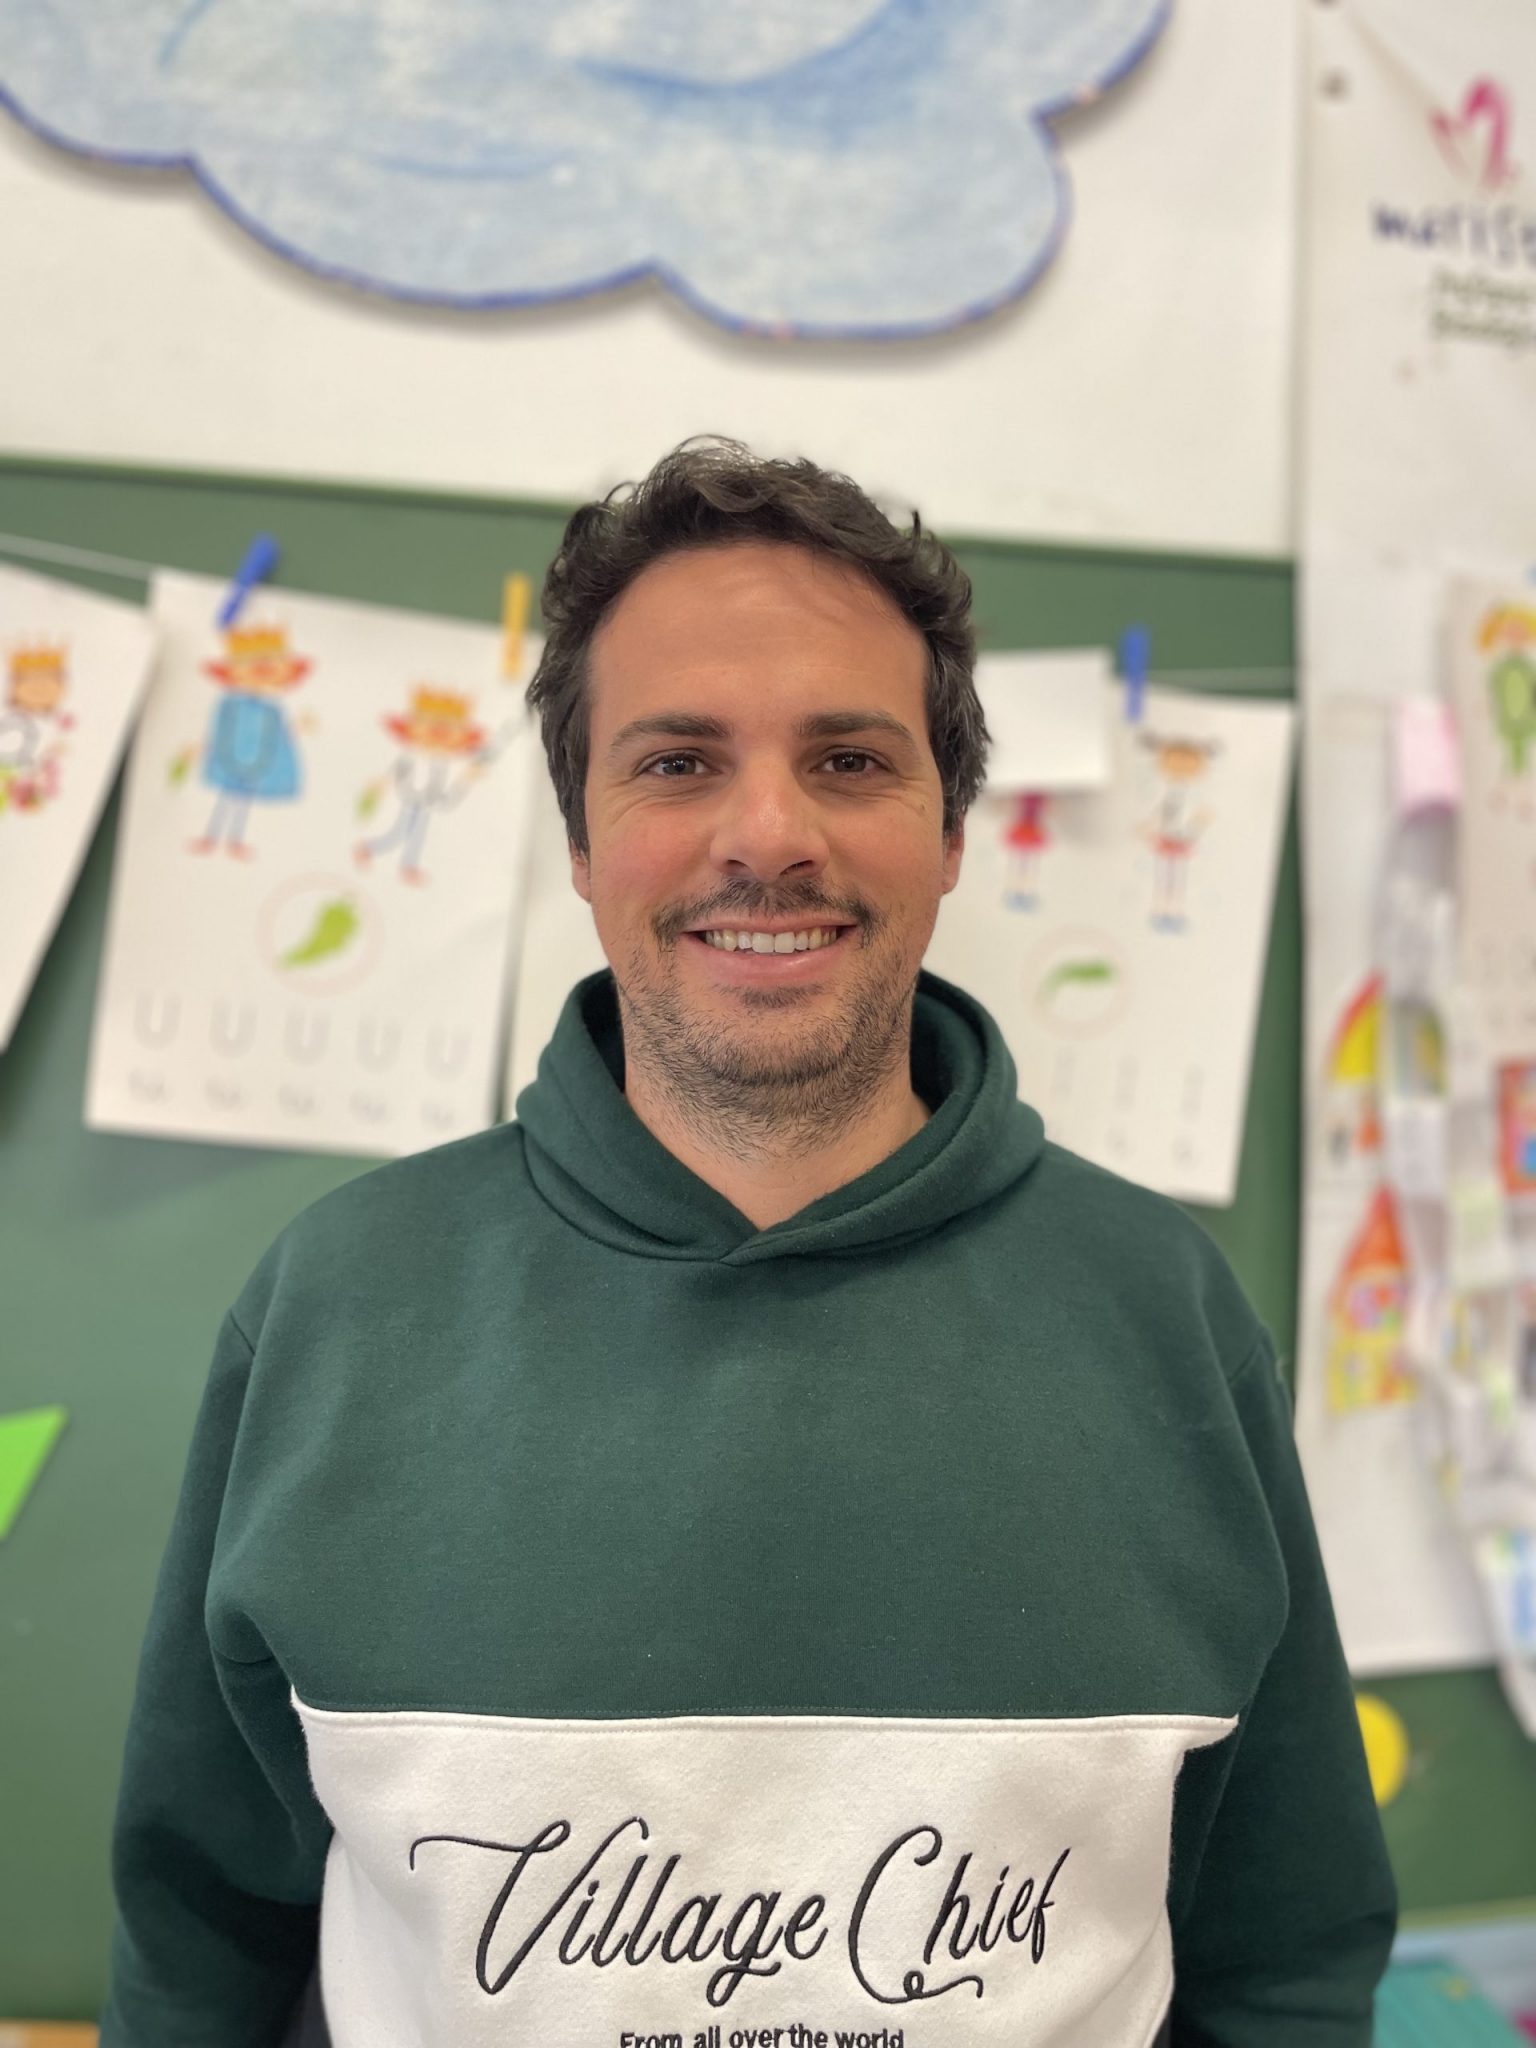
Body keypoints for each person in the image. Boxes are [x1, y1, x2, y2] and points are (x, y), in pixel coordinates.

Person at [101, 439, 1396, 2048]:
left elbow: (1285, 1960)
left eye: (849, 760)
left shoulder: (1169, 1319)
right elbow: (197, 1948)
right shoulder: (338, 1306)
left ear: (950, 833)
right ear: (582, 841)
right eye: (678, 762)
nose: (768, 832)